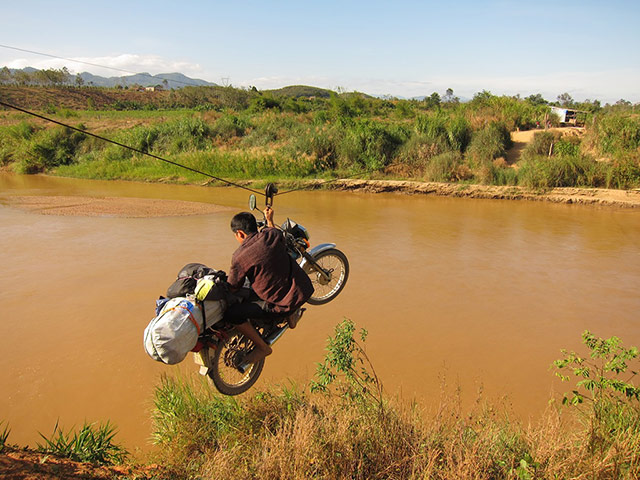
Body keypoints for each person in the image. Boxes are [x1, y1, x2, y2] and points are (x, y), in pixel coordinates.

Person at [224, 206, 313, 365]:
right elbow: (274, 231)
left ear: (240, 234)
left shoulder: (239, 256)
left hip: (280, 305)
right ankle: (291, 318)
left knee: (231, 314)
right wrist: (270, 219)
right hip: (301, 290)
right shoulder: (271, 235)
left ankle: (263, 347)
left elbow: (232, 287)